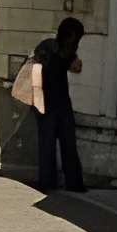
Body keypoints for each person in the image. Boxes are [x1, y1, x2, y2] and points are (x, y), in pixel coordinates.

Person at [34, 15, 87, 195]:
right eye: (76, 39)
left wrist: (72, 58)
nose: (77, 44)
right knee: (48, 143)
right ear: (68, 36)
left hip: (61, 103)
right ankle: (48, 182)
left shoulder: (67, 52)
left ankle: (71, 182)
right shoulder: (49, 48)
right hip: (46, 103)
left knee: (67, 142)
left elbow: (77, 67)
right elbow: (37, 66)